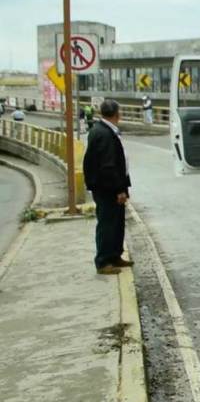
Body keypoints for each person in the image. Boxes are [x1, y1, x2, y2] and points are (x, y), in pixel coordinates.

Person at [82, 100, 133, 274]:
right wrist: (119, 189)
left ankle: (114, 255)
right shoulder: (103, 134)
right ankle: (103, 261)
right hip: (107, 188)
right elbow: (108, 166)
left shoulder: (104, 130)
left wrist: (124, 187)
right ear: (117, 114)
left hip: (112, 186)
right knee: (107, 223)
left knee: (117, 222)